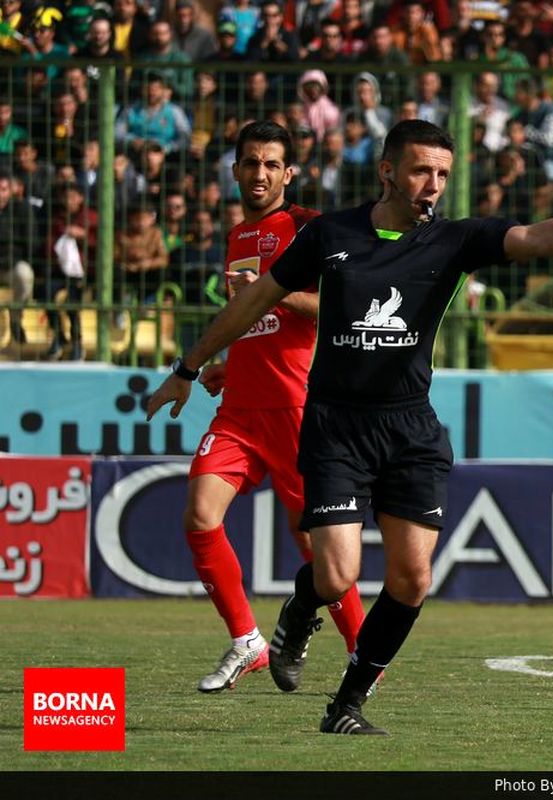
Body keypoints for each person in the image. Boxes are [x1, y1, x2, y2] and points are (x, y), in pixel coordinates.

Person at [145, 119, 553, 734]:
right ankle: (298, 610)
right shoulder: (329, 233)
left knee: (412, 577)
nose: (433, 185)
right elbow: (256, 299)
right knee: (336, 574)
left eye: (443, 174)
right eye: (422, 170)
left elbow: (535, 236)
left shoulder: (455, 240)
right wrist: (189, 367)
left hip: (410, 427)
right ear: (388, 171)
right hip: (336, 424)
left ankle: (346, 705)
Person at [183, 121, 365, 694]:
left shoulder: (308, 228)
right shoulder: (238, 236)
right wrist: (228, 365)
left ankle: (366, 653)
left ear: (289, 173)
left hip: (296, 407)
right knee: (199, 515)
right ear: (235, 171)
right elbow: (255, 321)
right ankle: (247, 642)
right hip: (240, 407)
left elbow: (342, 301)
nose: (259, 174)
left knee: (317, 544)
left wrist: (276, 287)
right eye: (249, 163)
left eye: (271, 165)